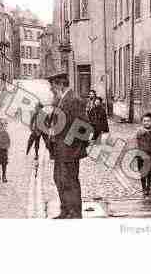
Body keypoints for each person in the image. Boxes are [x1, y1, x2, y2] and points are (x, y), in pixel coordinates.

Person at [46, 72, 93, 219]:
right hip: (60, 150)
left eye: (52, 86)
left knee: (70, 181)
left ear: (60, 84)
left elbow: (85, 126)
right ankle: (65, 210)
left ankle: (75, 213)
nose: (51, 89)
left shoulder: (74, 99)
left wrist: (68, 144)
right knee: (59, 179)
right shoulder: (60, 99)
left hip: (69, 150)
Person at [136, 113, 151, 198]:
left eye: (148, 121)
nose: (146, 123)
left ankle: (149, 188)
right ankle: (144, 189)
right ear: (142, 122)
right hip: (141, 156)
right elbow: (135, 144)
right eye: (144, 121)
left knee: (150, 173)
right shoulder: (139, 132)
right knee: (143, 173)